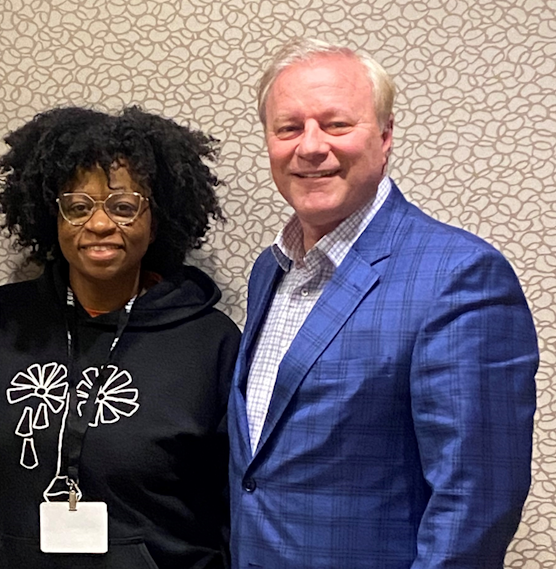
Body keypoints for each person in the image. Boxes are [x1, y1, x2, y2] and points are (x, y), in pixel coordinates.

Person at [228, 37, 538, 568]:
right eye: (288, 128)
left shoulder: (459, 275)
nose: (310, 146)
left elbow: (475, 504)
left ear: (386, 135)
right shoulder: (269, 270)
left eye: (336, 124)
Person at [0, 106, 240, 568]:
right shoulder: (3, 321)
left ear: (158, 219)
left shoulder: (209, 343)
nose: (100, 224)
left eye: (125, 207)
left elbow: (232, 500)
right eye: (77, 206)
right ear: (51, 214)